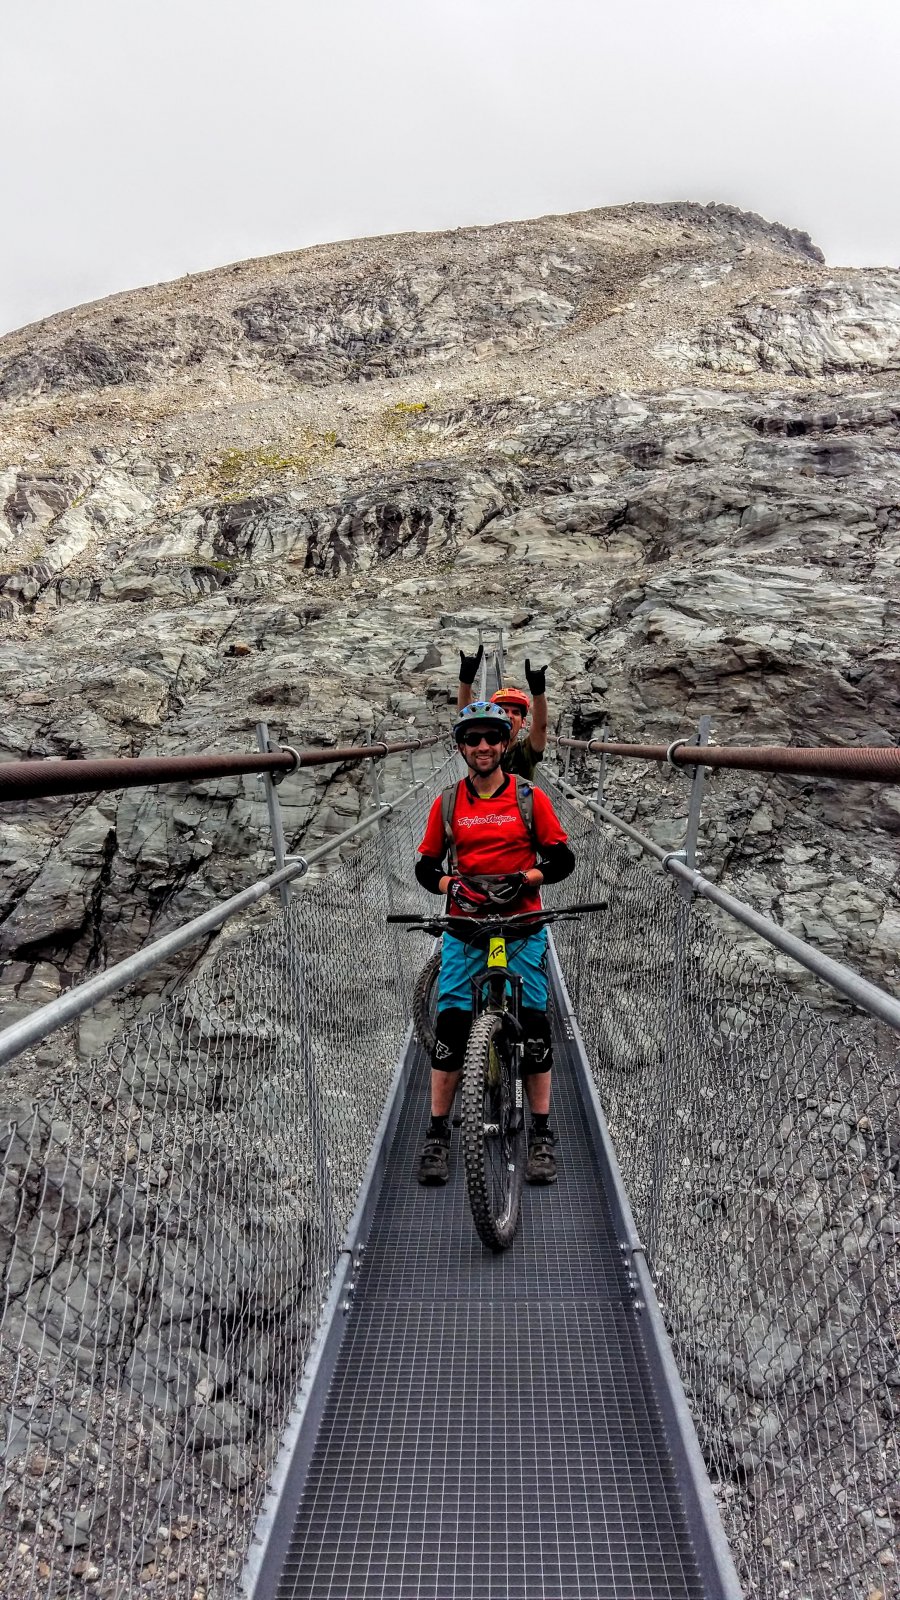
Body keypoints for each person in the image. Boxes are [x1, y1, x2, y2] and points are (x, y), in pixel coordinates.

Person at [414, 700, 576, 1188]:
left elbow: (561, 859)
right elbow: (426, 866)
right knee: (451, 1028)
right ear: (460, 747)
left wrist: (526, 878)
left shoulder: (529, 798)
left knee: (535, 1029)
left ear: (506, 744)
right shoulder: (447, 803)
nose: (482, 746)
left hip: (521, 924)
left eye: (491, 738)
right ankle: (438, 1134)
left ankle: (541, 1133)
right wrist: (451, 886)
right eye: (472, 739)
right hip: (466, 927)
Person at [457, 645, 548, 780]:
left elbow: (541, 728)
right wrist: (466, 681)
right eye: (504, 711)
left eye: (515, 712)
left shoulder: (526, 752)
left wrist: (538, 693)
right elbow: (467, 720)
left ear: (523, 722)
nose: (509, 716)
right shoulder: (482, 746)